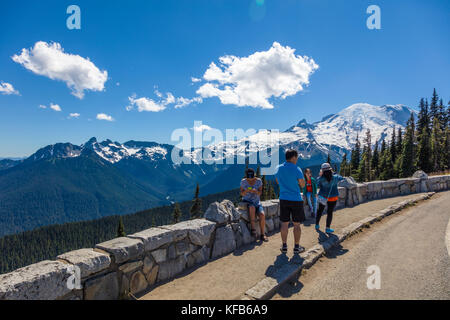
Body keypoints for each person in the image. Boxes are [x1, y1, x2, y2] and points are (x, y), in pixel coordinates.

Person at [274, 149, 306, 254]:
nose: (297, 160)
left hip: (283, 198)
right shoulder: (297, 169)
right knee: (296, 225)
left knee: (284, 223)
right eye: (296, 158)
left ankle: (284, 246)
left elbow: (278, 181)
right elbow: (302, 185)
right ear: (293, 157)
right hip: (296, 199)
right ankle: (296, 247)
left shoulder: (278, 168)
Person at [315, 162, 344, 234]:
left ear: (322, 171)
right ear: (330, 169)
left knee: (320, 211)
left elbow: (317, 185)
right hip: (333, 197)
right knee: (329, 212)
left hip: (323, 197)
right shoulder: (335, 177)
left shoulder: (320, 179)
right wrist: (334, 173)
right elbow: (341, 178)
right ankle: (327, 228)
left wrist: (320, 175)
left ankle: (317, 225)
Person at [240, 168, 268, 242]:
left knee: (262, 214)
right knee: (252, 208)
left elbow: (260, 193)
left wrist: (255, 191)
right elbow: (242, 193)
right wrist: (246, 191)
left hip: (257, 202)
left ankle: (263, 234)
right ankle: (253, 229)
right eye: (249, 179)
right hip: (247, 201)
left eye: (252, 178)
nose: (250, 180)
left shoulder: (259, 181)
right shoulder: (243, 182)